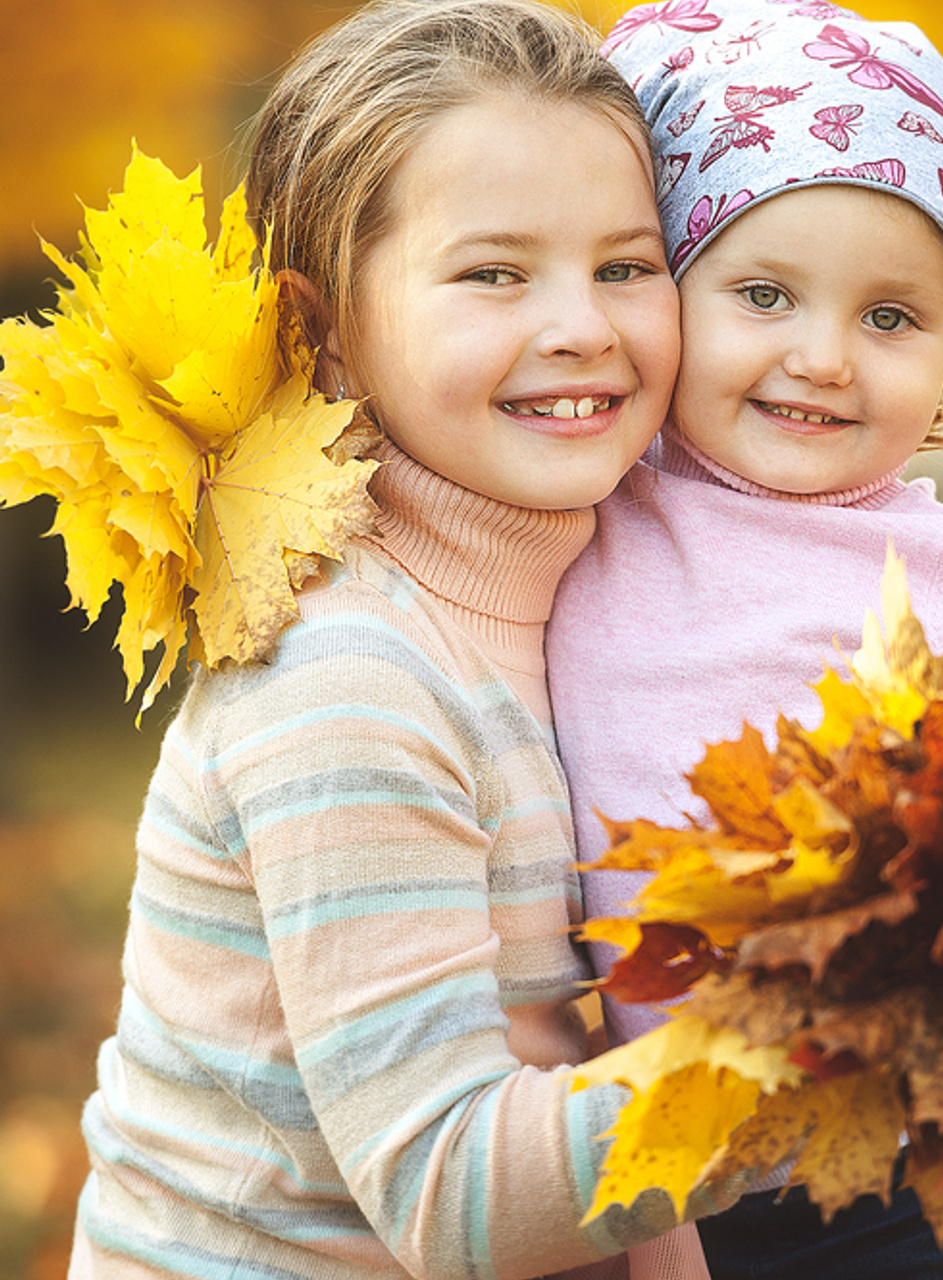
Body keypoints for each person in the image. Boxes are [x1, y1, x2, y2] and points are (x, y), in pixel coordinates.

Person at [67, 2, 747, 1276]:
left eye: (624, 264)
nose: (581, 326)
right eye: (493, 271)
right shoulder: (346, 680)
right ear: (322, 330)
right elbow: (457, 1194)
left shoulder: (600, 607)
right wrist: (828, 1049)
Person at [546, 2, 943, 1276]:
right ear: (660, 294)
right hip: (695, 1183)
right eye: (763, 293)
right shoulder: (576, 518)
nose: (824, 357)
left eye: (890, 318)